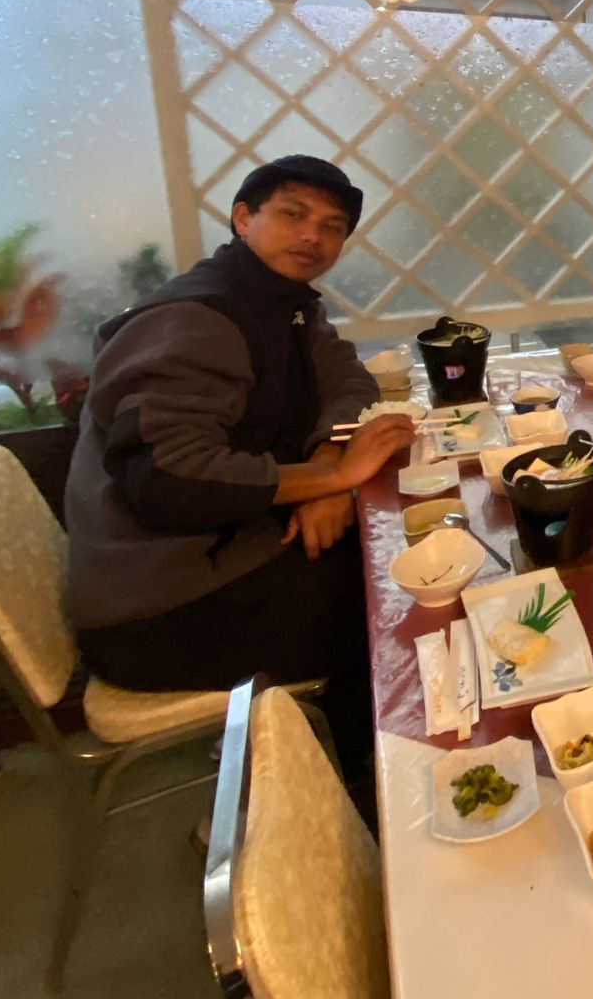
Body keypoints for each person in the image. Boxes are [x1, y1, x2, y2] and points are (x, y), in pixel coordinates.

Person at [65, 154, 415, 780]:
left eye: (332, 227)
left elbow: (347, 378)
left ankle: (334, 757)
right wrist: (333, 479)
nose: (312, 236)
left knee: (391, 558)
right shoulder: (198, 317)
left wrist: (326, 463)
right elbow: (167, 480)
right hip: (158, 609)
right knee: (390, 609)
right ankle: (350, 794)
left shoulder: (284, 304)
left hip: (221, 554)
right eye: (293, 214)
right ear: (243, 218)